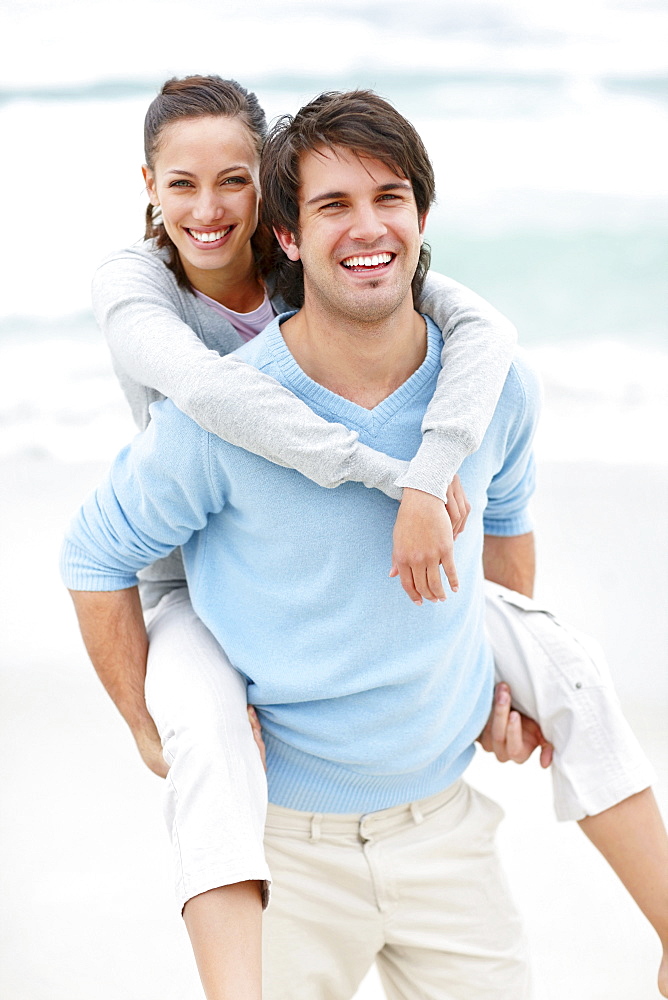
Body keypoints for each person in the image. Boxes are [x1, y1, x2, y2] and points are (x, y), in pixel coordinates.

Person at [61, 86, 668, 998]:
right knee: (206, 742)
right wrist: (146, 731)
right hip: (287, 851)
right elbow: (95, 551)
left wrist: (497, 688)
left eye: (390, 198)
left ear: (424, 215)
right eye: (333, 205)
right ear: (289, 234)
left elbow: (504, 524)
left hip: (444, 836)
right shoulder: (197, 388)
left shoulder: (490, 380)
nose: (367, 225)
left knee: (564, 658)